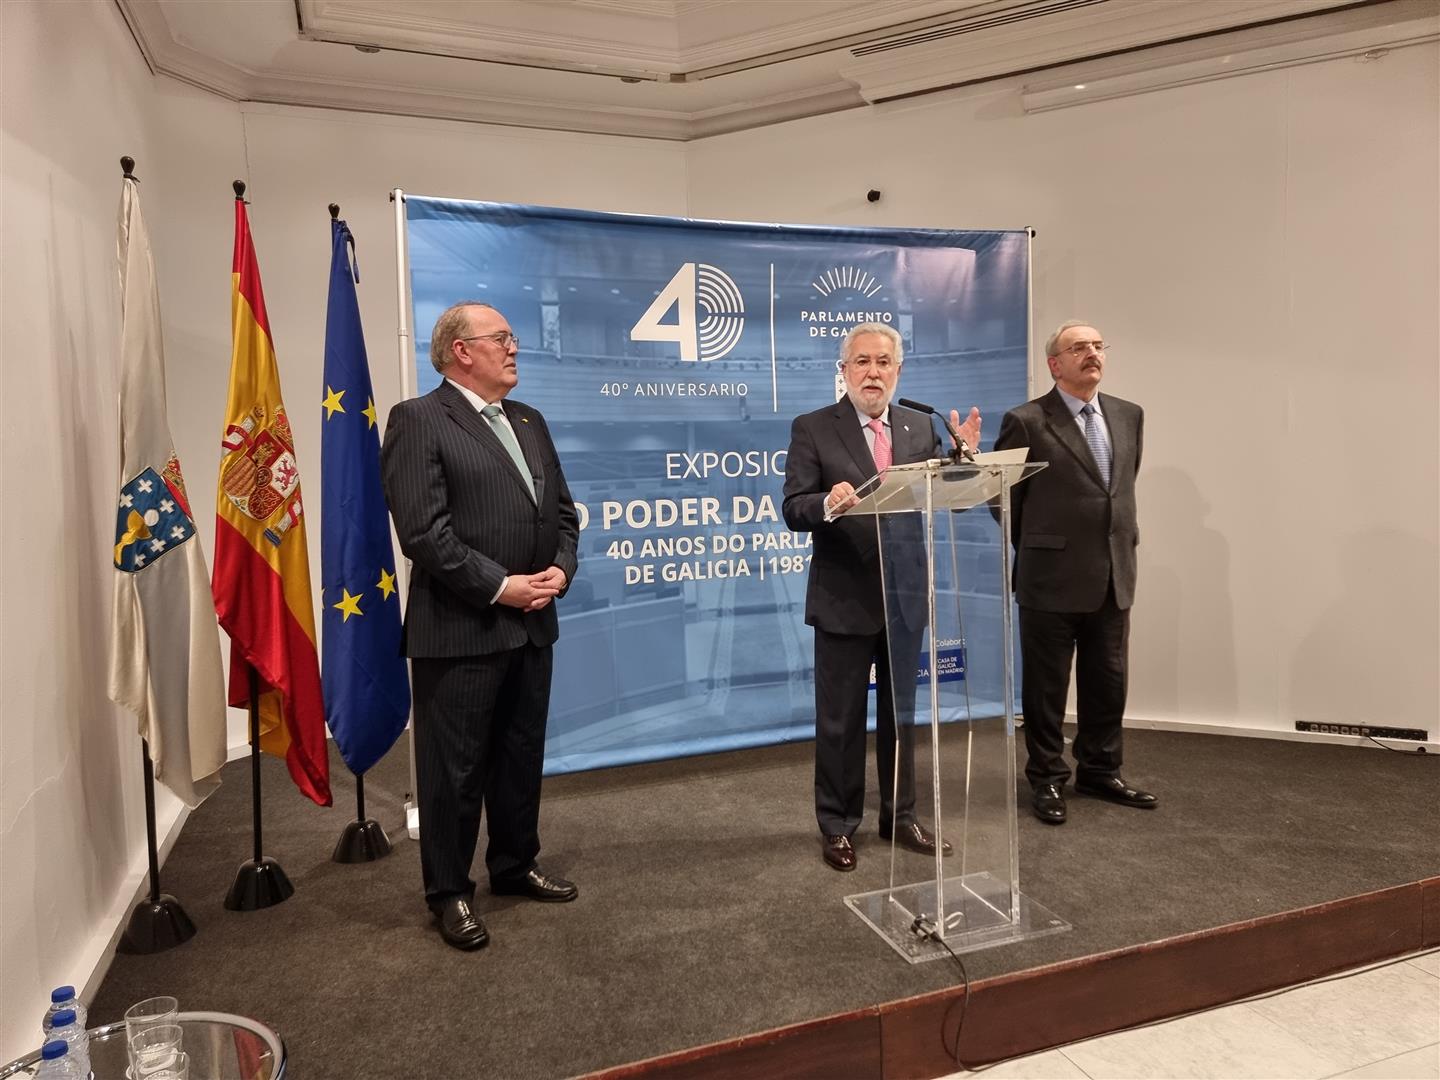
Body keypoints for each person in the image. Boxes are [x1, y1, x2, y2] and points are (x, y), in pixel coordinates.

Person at [382, 301, 580, 950]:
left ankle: (514, 865)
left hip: (533, 624)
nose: (514, 347)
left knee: (520, 759)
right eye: (503, 337)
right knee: (454, 771)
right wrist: (501, 586)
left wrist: (558, 569)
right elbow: (424, 533)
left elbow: (562, 514)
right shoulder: (418, 421)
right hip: (462, 629)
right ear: (461, 350)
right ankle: (449, 893)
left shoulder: (529, 420)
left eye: (512, 336)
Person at [783, 322, 982, 871]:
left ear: (898, 371)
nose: (874, 372)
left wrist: (966, 456)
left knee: (902, 716)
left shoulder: (920, 427)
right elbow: (793, 507)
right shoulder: (815, 428)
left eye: (884, 363)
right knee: (840, 720)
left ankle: (900, 815)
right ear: (843, 370)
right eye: (862, 362)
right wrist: (828, 501)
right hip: (844, 597)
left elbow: (958, 500)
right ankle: (838, 824)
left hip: (905, 598)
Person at [992, 321, 1156, 825]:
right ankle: (1046, 779)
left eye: (1098, 345)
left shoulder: (1129, 415)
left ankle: (1101, 770)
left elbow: (1119, 489)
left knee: (1109, 682)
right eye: (1078, 347)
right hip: (1050, 578)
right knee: (1046, 689)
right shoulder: (1027, 420)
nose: (1092, 353)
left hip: (1113, 574)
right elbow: (1004, 502)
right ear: (1054, 364)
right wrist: (1041, 546)